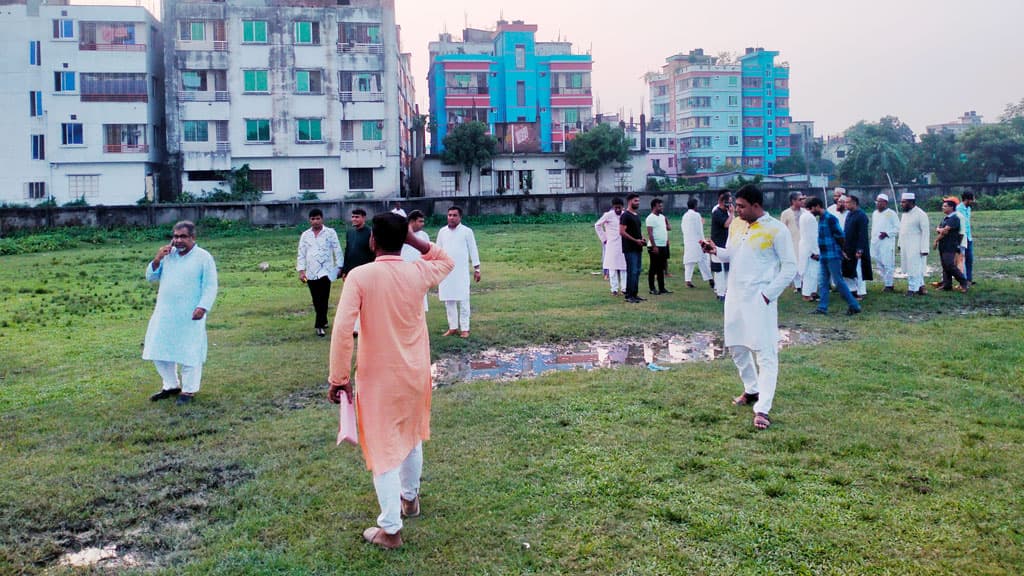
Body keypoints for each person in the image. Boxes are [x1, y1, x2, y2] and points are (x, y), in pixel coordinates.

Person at [327, 213, 455, 550]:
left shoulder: (360, 276)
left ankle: (390, 529)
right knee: (411, 435)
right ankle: (409, 499)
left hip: (379, 377)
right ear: (404, 242)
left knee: (383, 448)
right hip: (415, 372)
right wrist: (414, 241)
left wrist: (339, 378)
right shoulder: (417, 271)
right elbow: (446, 259)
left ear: (372, 241)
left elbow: (342, 330)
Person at [700, 184, 796, 430]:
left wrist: (767, 295)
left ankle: (763, 408)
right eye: (735, 206)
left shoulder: (776, 230)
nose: (737, 211)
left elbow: (789, 268)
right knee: (736, 346)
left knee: (765, 353)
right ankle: (751, 389)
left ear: (756, 205)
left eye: (741, 207)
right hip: (735, 296)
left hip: (760, 298)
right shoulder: (737, 225)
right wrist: (714, 250)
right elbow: (731, 254)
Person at [143, 221, 218, 405]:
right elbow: (150, 277)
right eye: (175, 236)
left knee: (189, 351)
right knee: (158, 348)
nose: (178, 240)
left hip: (191, 313)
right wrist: (157, 259)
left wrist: (203, 306)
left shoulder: (203, 257)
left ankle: (189, 391)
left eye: (183, 236)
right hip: (166, 312)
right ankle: (170, 385)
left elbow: (210, 285)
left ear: (193, 237)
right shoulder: (168, 255)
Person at [806, 197, 862, 316]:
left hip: (833, 255)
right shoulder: (820, 219)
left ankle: (854, 305)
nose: (810, 211)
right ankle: (822, 307)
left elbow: (840, 236)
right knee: (822, 282)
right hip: (824, 256)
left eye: (811, 208)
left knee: (838, 282)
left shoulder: (830, 218)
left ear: (817, 206)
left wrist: (843, 251)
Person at [297, 208, 343, 337]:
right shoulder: (305, 235)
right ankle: (324, 319)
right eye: (313, 219)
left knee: (323, 297)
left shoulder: (330, 233)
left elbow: (337, 249)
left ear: (322, 219)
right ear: (309, 220)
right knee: (316, 299)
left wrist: (340, 267)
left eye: (318, 218)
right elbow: (301, 253)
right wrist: (301, 271)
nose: (315, 221)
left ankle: (319, 325)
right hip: (311, 272)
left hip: (326, 271)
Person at [436, 206, 480, 337]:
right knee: (448, 299)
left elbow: (473, 249)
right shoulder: (442, 232)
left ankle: (465, 328)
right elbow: (437, 250)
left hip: (461, 271)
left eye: (454, 215)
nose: (451, 218)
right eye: (449, 215)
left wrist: (477, 268)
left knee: (464, 299)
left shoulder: (467, 231)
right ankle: (453, 327)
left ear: (460, 217)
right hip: (446, 271)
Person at [898, 192, 930, 296]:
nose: (901, 204)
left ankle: (912, 289)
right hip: (905, 245)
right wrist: (899, 244)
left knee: (914, 267)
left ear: (910, 202)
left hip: (916, 246)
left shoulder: (921, 214)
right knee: (912, 267)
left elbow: (926, 232)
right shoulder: (905, 214)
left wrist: (924, 249)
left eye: (903, 202)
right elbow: (901, 230)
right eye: (901, 202)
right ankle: (921, 287)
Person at [934, 199, 970, 292]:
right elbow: (939, 229)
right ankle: (947, 284)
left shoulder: (954, 218)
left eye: (945, 206)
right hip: (943, 244)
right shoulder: (946, 218)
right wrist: (940, 230)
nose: (943, 208)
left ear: (951, 207)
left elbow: (944, 231)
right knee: (945, 265)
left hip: (950, 245)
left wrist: (936, 239)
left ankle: (963, 281)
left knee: (950, 264)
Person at [841, 195, 872, 299]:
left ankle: (861, 292)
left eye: (847, 202)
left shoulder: (861, 216)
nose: (845, 204)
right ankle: (852, 290)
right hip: (848, 247)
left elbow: (862, 234)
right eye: (845, 202)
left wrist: (860, 250)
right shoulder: (849, 214)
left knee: (858, 270)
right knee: (848, 270)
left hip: (857, 248)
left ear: (854, 203)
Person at [594, 198, 628, 296]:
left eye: (619, 207)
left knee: (624, 267)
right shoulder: (608, 215)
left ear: (622, 207)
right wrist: (604, 238)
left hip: (623, 243)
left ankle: (624, 288)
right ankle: (614, 289)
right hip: (612, 244)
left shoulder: (625, 215)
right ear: (613, 207)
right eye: (616, 207)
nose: (618, 209)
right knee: (612, 267)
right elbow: (597, 225)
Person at [618, 193, 646, 303]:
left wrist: (642, 238)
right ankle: (629, 295)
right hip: (630, 248)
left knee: (637, 271)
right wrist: (635, 241)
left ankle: (635, 294)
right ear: (630, 201)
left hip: (638, 247)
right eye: (635, 201)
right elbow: (622, 232)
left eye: (638, 201)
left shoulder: (636, 215)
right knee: (632, 271)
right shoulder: (625, 215)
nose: (637, 203)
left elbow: (638, 230)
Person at [680, 197, 713, 289]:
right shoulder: (696, 215)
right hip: (697, 242)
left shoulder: (685, 216)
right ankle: (710, 279)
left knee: (689, 261)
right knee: (703, 260)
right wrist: (703, 241)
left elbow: (684, 229)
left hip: (688, 241)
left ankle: (688, 280)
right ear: (695, 206)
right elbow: (699, 230)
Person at [401, 210, 431, 311]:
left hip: (420, 272)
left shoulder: (424, 235)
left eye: (423, 221)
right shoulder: (401, 234)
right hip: (403, 272)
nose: (423, 224)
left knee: (420, 303)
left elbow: (428, 253)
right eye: (420, 221)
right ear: (412, 222)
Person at [870, 194, 900, 292]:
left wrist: (887, 233)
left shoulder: (891, 213)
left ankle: (889, 285)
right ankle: (886, 282)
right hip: (876, 242)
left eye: (880, 201)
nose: (878, 203)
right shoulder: (875, 213)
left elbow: (897, 228)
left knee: (888, 263)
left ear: (885, 203)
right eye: (877, 201)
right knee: (879, 263)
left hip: (887, 242)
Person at [709, 191, 733, 301]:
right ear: (722, 202)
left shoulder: (726, 212)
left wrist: (731, 213)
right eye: (728, 203)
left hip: (726, 244)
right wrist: (732, 214)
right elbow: (726, 224)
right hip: (717, 245)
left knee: (727, 269)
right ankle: (720, 293)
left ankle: (726, 292)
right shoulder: (717, 212)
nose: (730, 205)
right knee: (719, 270)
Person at [645, 198, 672, 295]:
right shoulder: (650, 218)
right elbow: (650, 234)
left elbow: (669, 228)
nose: (661, 207)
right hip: (654, 246)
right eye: (659, 206)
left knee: (661, 268)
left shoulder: (662, 217)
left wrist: (666, 220)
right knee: (653, 267)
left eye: (661, 206)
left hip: (663, 245)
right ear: (654, 207)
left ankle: (662, 288)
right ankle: (652, 288)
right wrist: (654, 246)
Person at [779, 191, 804, 291]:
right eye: (800, 199)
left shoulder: (805, 212)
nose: (802, 201)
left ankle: (805, 283)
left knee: (804, 262)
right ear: (793, 201)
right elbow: (782, 229)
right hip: (792, 242)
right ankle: (798, 285)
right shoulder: (786, 213)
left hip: (804, 242)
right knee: (795, 263)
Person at [797, 198, 820, 302]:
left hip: (806, 246)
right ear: (814, 207)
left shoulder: (805, 215)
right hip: (809, 248)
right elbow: (811, 237)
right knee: (810, 273)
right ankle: (807, 294)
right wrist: (814, 252)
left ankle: (812, 292)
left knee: (813, 272)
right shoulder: (809, 218)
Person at [956, 192, 975, 283]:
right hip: (962, 237)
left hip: (969, 237)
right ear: (967, 199)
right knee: (961, 259)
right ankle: (963, 280)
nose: (973, 201)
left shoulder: (969, 209)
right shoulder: (958, 209)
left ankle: (969, 279)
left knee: (970, 259)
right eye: (972, 199)